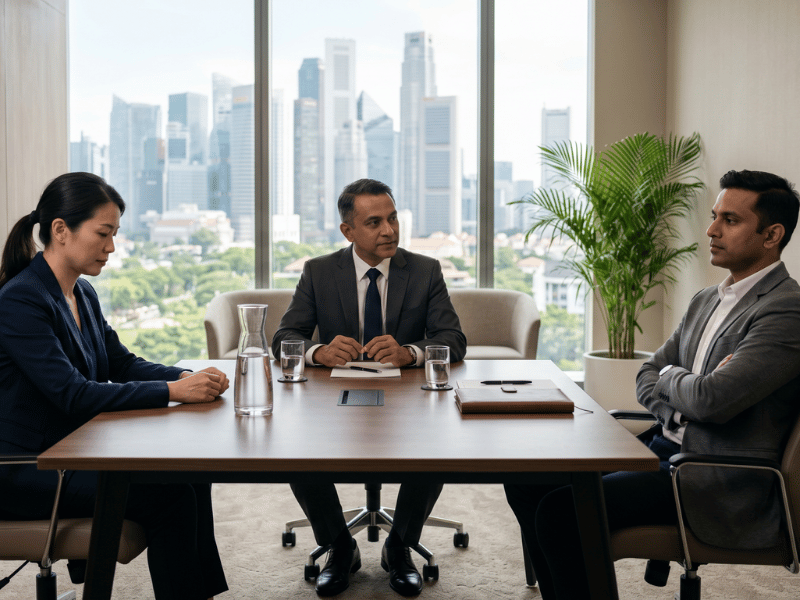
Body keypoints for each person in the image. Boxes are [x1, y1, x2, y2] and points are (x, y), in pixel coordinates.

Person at [504, 169, 800, 599]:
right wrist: (681, 389)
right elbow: (648, 376)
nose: (711, 229)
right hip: (662, 447)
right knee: (529, 479)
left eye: (730, 220)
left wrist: (675, 380)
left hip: (715, 476)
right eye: (715, 216)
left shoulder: (784, 311)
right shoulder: (707, 300)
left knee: (562, 510)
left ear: (772, 234)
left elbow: (712, 400)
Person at [0, 172, 230, 600]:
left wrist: (181, 376)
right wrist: (174, 393)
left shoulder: (81, 292)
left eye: (115, 234)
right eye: (103, 234)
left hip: (75, 451)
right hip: (27, 468)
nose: (111, 247)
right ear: (60, 231)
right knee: (171, 496)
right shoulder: (21, 300)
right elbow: (74, 394)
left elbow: (120, 363)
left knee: (191, 471)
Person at [272, 178, 466, 597]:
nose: (390, 231)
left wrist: (410, 352)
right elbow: (284, 337)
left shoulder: (425, 270)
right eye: (375, 222)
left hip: (407, 401)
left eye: (394, 218)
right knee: (292, 449)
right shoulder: (320, 271)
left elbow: (454, 340)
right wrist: (319, 351)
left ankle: (400, 546)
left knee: (438, 447)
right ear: (348, 231)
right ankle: (340, 547)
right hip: (333, 402)